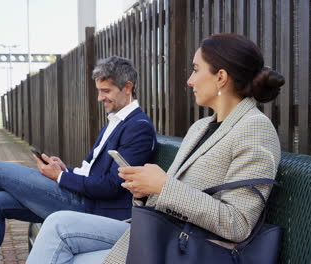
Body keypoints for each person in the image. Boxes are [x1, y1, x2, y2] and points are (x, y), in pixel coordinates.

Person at [25, 33, 286, 264]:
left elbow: (238, 224)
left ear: (220, 77)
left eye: (196, 70)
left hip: (192, 248)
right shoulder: (201, 127)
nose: (189, 80)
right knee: (57, 224)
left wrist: (163, 186)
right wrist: (144, 188)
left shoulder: (254, 129)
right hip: (164, 233)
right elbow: (173, 193)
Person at [0, 56, 157, 264]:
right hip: (84, 197)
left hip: (93, 209)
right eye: (98, 91)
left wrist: (61, 177)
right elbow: (92, 172)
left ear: (127, 87)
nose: (99, 98)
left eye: (106, 91)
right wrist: (66, 170)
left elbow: (111, 186)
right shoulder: (115, 120)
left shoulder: (138, 128)